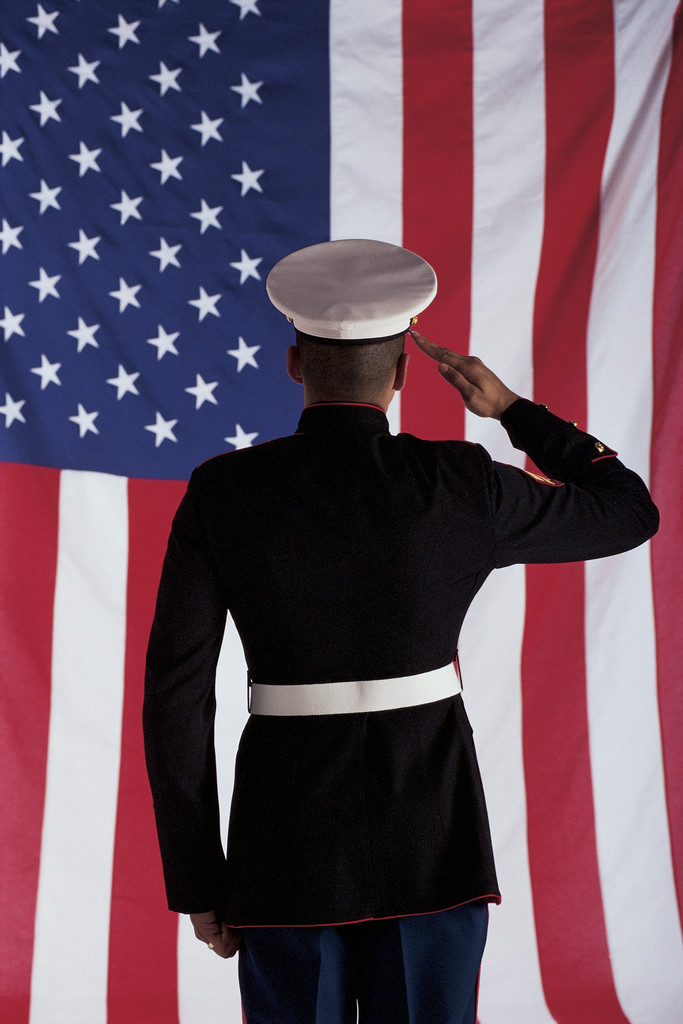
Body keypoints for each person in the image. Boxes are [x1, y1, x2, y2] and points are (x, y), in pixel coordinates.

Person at [143, 239, 659, 1024]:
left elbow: (175, 699)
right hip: (431, 838)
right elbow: (627, 510)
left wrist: (198, 878)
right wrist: (514, 412)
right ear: (403, 372)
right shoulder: (461, 483)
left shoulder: (224, 491)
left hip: (284, 845)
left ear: (293, 364)